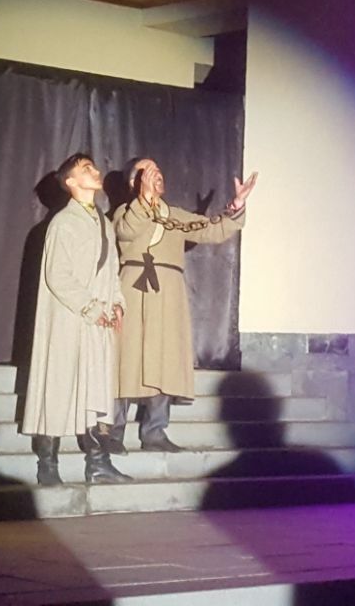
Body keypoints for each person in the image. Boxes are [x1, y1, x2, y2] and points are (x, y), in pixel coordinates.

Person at [105, 158, 257, 453]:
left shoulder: (174, 215)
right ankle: (113, 432)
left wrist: (236, 205)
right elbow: (126, 232)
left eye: (159, 171)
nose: (157, 175)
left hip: (168, 294)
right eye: (148, 172)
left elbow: (210, 230)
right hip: (133, 289)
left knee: (166, 358)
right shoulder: (124, 212)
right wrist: (144, 200)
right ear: (134, 182)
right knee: (126, 357)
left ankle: (154, 432)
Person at [20, 153, 131, 485]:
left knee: (96, 389)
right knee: (57, 388)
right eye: (86, 169)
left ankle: (98, 463)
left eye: (94, 167)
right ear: (70, 182)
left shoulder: (104, 223)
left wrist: (117, 303)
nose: (95, 172)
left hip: (97, 324)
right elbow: (57, 275)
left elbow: (111, 270)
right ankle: (47, 465)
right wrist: (91, 308)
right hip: (70, 320)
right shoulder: (62, 223)